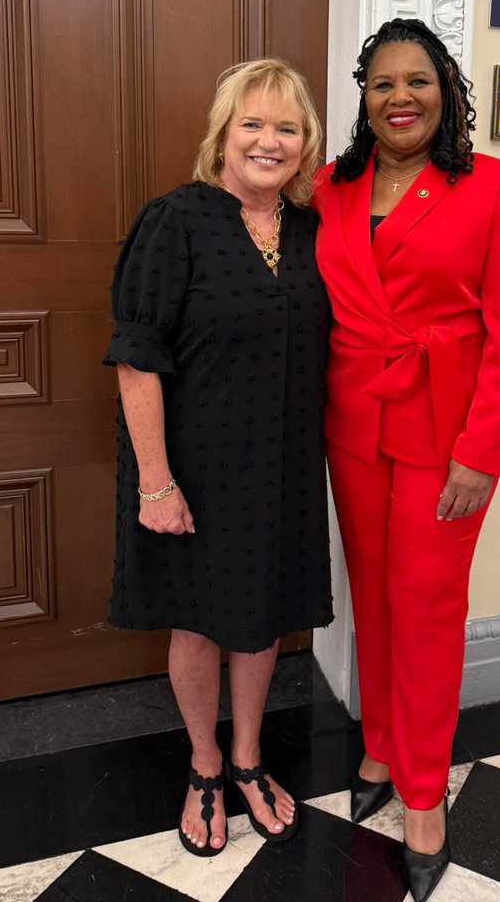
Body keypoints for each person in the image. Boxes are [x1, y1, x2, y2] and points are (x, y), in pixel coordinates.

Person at [312, 18, 500, 901]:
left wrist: (483, 452)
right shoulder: (332, 189)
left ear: (446, 91)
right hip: (353, 425)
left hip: (448, 437)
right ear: (364, 100)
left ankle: (422, 792)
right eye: (381, 83)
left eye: (418, 81)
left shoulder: (494, 185)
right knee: (369, 592)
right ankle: (378, 744)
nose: (399, 97)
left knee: (429, 610)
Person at [104, 58, 332, 856]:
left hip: (282, 465)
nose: (270, 141)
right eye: (254, 124)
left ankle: (247, 759)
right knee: (202, 624)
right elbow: (138, 355)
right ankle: (204, 765)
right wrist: (156, 481)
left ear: (306, 146)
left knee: (262, 618)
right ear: (223, 135)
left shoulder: (310, 230)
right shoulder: (177, 220)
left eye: (288, 128)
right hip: (195, 467)